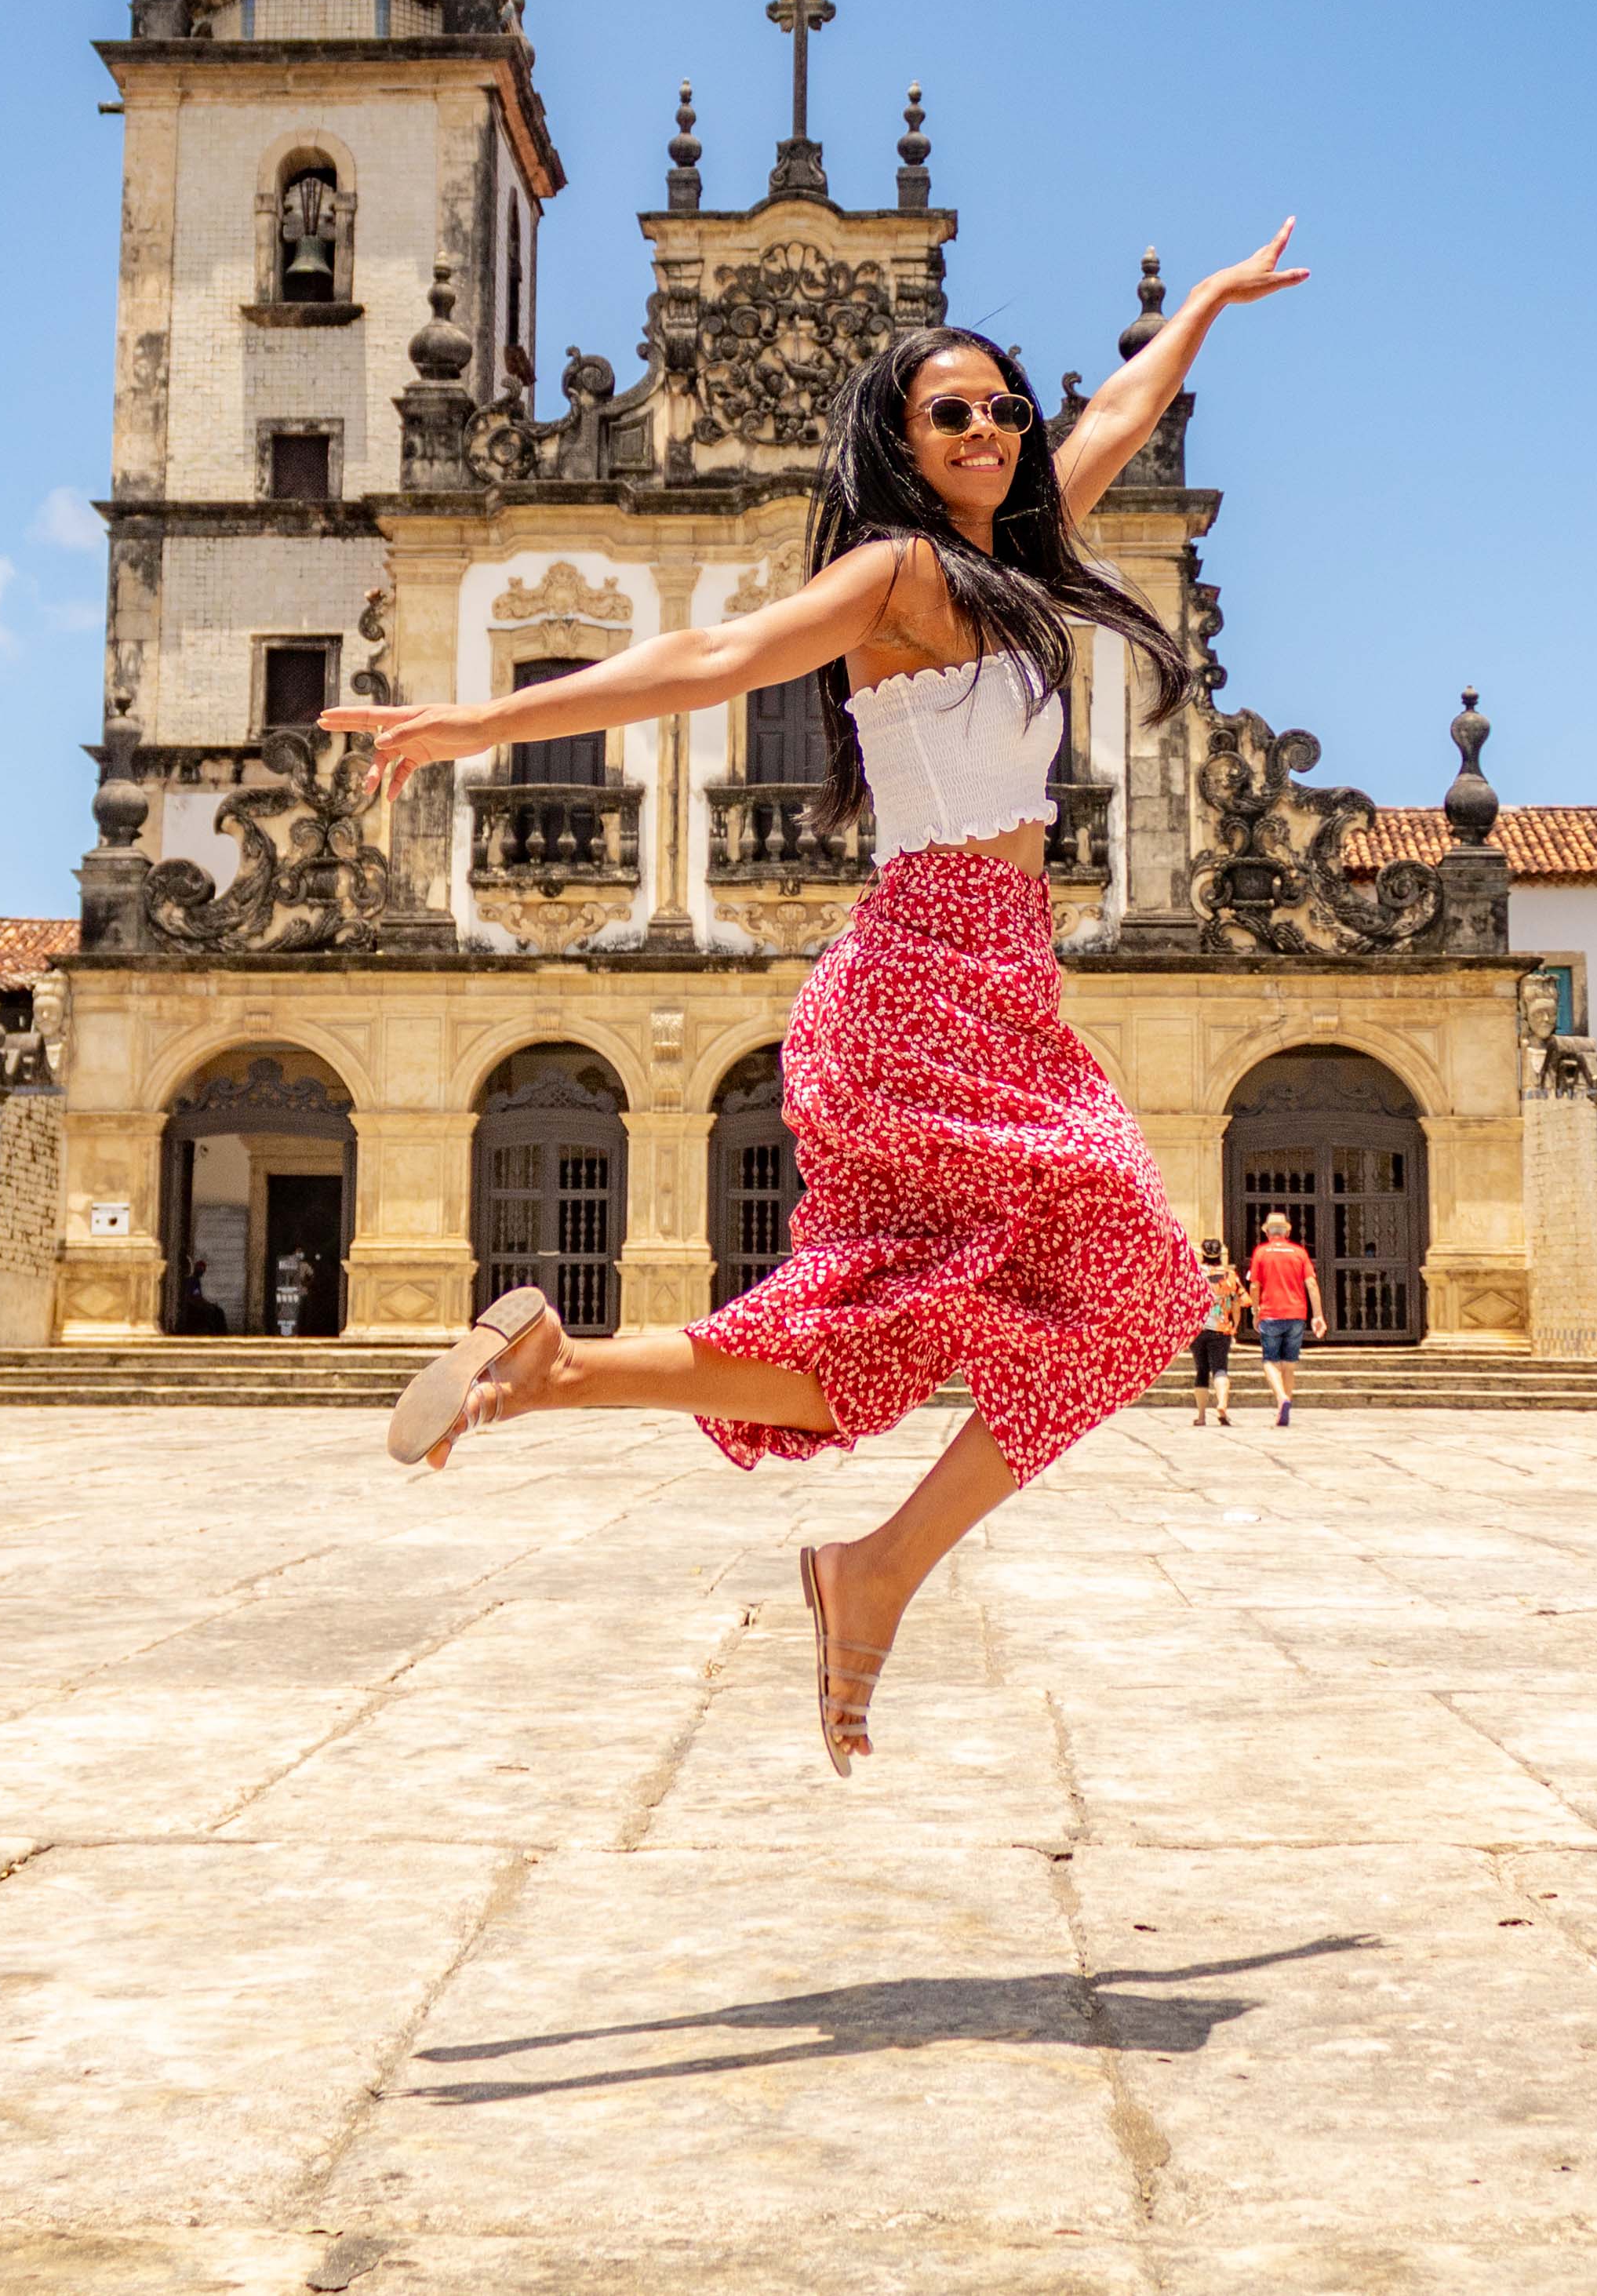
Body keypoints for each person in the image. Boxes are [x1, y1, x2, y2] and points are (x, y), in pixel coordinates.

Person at [329, 219, 1315, 1775]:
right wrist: (472, 719)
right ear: (900, 443)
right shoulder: (900, 571)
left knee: (911, 1331)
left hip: (986, 975)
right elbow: (717, 653)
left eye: (1003, 408)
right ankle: (868, 1559)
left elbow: (1118, 413)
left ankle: (570, 1380)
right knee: (1127, 1283)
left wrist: (1200, 306)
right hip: (926, 976)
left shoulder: (1011, 557)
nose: (991, 429)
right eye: (954, 413)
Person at [1244, 1210, 1315, 1425]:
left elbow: (1255, 1285)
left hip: (1271, 1314)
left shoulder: (1262, 1252)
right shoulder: (1299, 1252)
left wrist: (1255, 1312)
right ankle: (1284, 1408)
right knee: (1290, 1364)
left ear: (1267, 1232)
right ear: (1288, 1231)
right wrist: (1318, 1315)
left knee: (1270, 1361)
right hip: (1296, 1314)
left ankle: (1281, 1398)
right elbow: (1311, 1283)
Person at [1190, 1250, 1243, 1427]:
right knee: (1220, 1368)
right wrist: (1235, 1325)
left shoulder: (1195, 1275)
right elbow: (1237, 1303)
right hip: (1221, 1328)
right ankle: (1222, 1405)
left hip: (1198, 1329)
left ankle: (1201, 1416)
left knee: (1202, 1370)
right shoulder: (1230, 1275)